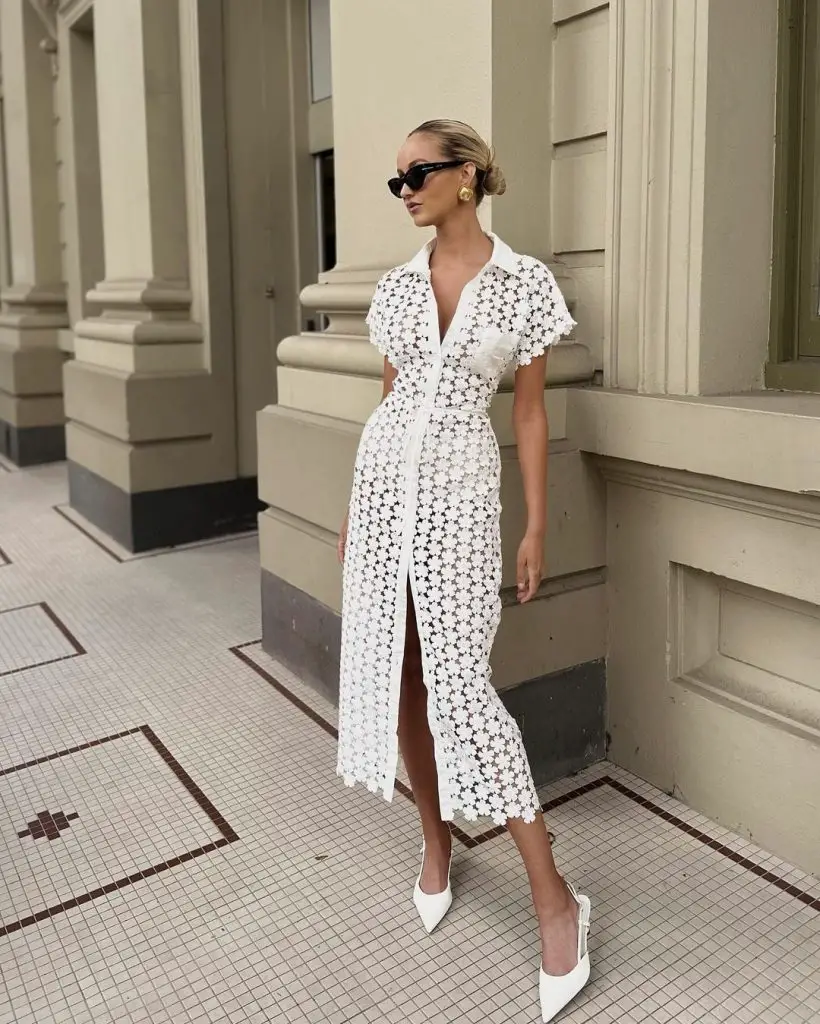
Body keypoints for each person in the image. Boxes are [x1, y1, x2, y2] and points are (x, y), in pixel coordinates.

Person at [335, 119, 590, 1022]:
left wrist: (535, 526)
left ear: (469, 174)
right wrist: (357, 511)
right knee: (401, 671)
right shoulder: (397, 287)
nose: (405, 190)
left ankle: (556, 902)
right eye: (397, 179)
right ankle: (435, 842)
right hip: (383, 495)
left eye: (419, 173)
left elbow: (529, 413)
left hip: (462, 500)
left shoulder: (523, 284)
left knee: (461, 685)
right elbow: (390, 397)